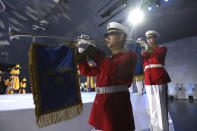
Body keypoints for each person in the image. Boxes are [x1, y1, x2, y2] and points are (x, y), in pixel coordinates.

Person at [77, 22, 137, 131]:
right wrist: (81, 52)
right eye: (106, 36)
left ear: (120, 37)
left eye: (111, 35)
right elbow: (87, 71)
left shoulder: (129, 55)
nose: (107, 38)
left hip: (116, 106)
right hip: (102, 104)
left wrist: (90, 49)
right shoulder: (108, 60)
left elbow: (111, 69)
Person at [142, 30, 171, 131]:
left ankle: (164, 129)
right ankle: (155, 128)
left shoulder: (162, 49)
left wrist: (146, 47)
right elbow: (142, 60)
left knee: (161, 107)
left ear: (156, 38)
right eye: (147, 38)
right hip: (148, 80)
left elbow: (157, 56)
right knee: (152, 108)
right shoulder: (145, 52)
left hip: (159, 78)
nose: (149, 40)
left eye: (151, 37)